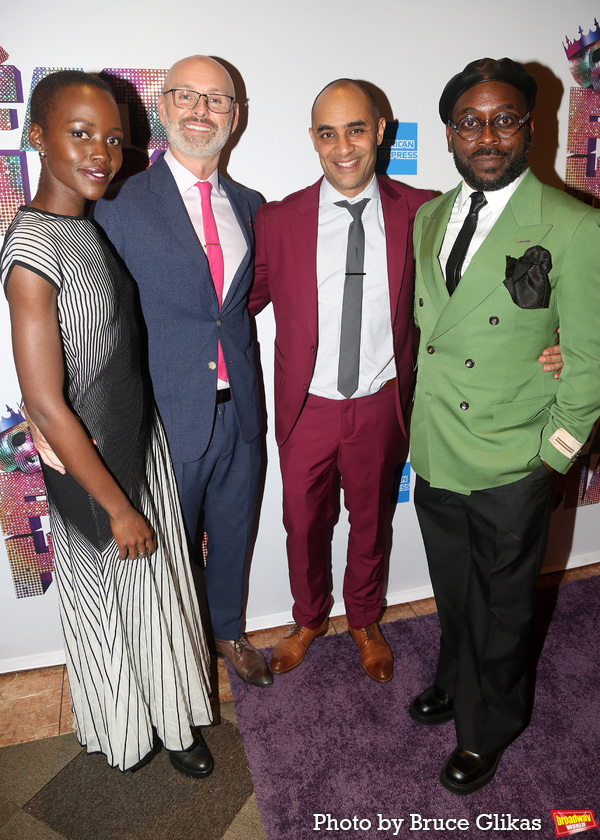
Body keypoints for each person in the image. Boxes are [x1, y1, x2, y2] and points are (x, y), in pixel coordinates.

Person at [1, 70, 214, 776]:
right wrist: (118, 507)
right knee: (111, 608)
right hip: (93, 471)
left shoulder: (83, 228)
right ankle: (131, 733)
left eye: (114, 138)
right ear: (37, 137)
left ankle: (175, 719)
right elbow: (46, 403)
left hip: (135, 444)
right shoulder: (32, 251)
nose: (102, 152)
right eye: (81, 133)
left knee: (156, 595)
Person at [409, 57, 600, 794]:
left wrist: (551, 455)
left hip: (515, 456)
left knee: (506, 605)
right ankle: (457, 680)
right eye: (470, 121)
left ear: (531, 126)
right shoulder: (429, 216)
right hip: (437, 448)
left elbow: (587, 359)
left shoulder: (575, 226)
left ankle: (490, 726)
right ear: (451, 132)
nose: (487, 135)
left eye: (504, 119)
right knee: (455, 589)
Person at [91, 56, 271, 687]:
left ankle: (228, 631)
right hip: (162, 416)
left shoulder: (251, 206)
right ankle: (177, 656)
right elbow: (85, 313)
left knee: (233, 532)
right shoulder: (115, 200)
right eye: (186, 96)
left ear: (235, 117)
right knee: (163, 557)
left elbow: (239, 306)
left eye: (216, 100)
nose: (201, 110)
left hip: (241, 411)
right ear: (161, 107)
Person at [250, 80, 434, 682]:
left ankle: (364, 619)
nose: (344, 147)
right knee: (302, 524)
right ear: (313, 140)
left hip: (382, 403)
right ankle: (308, 618)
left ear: (381, 130)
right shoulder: (277, 220)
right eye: (328, 133)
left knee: (371, 520)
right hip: (308, 407)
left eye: (356, 129)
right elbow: (235, 306)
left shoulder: (422, 212)